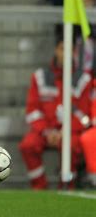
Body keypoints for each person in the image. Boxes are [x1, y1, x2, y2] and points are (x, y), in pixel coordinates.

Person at [19, 36, 92, 189]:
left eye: (69, 50)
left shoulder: (83, 80)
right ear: (56, 50)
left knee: (71, 146)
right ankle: (39, 186)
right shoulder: (40, 77)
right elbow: (32, 110)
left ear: (74, 53)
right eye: (61, 49)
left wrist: (64, 131)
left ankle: (67, 185)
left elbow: (84, 115)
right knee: (28, 145)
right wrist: (47, 131)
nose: (65, 53)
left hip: (70, 131)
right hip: (45, 130)